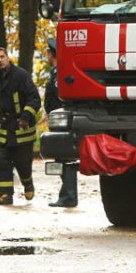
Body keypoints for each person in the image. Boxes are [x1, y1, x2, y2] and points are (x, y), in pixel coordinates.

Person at [0, 47, 41, 206]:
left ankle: (28, 183)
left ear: (7, 57)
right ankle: (5, 194)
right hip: (4, 125)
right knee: (1, 161)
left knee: (23, 161)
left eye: (2, 57)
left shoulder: (21, 75)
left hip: (21, 125)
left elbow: (34, 98)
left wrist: (26, 116)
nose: (0, 60)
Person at [44, 38, 77, 208]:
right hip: (58, 118)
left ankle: (69, 196)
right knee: (63, 157)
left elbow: (58, 97)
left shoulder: (59, 73)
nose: (46, 55)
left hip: (61, 120)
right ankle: (67, 194)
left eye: (48, 52)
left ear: (52, 54)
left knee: (64, 158)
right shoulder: (57, 71)